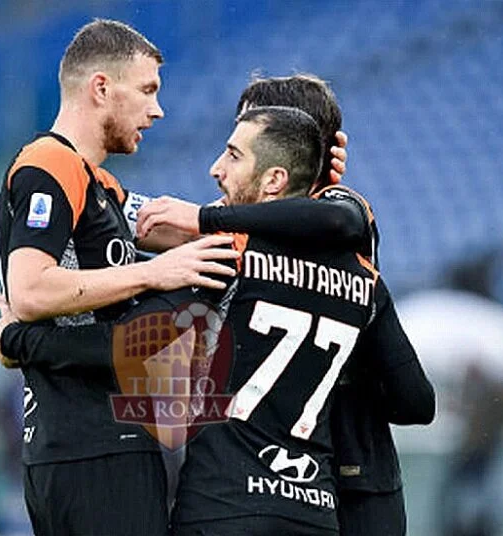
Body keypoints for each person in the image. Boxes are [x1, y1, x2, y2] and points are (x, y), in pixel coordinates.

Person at [0, 106, 421, 535]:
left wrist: (17, 341)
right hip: (314, 512)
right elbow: (416, 402)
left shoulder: (230, 259)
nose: (216, 169)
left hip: (223, 506)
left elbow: (125, 345)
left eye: (233, 155)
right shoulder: (367, 278)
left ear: (274, 179)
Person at [135, 73, 435, 536]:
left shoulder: (333, 216)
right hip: (326, 492)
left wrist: (200, 217)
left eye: (244, 139)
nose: (222, 164)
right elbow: (415, 400)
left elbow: (339, 217)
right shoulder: (349, 270)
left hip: (319, 479)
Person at [0, 19, 238, 536]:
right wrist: (151, 274)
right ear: (101, 88)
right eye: (147, 90)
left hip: (86, 445)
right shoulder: (49, 163)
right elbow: (32, 289)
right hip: (90, 447)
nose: (158, 110)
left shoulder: (98, 184)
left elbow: (182, 233)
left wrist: (276, 201)